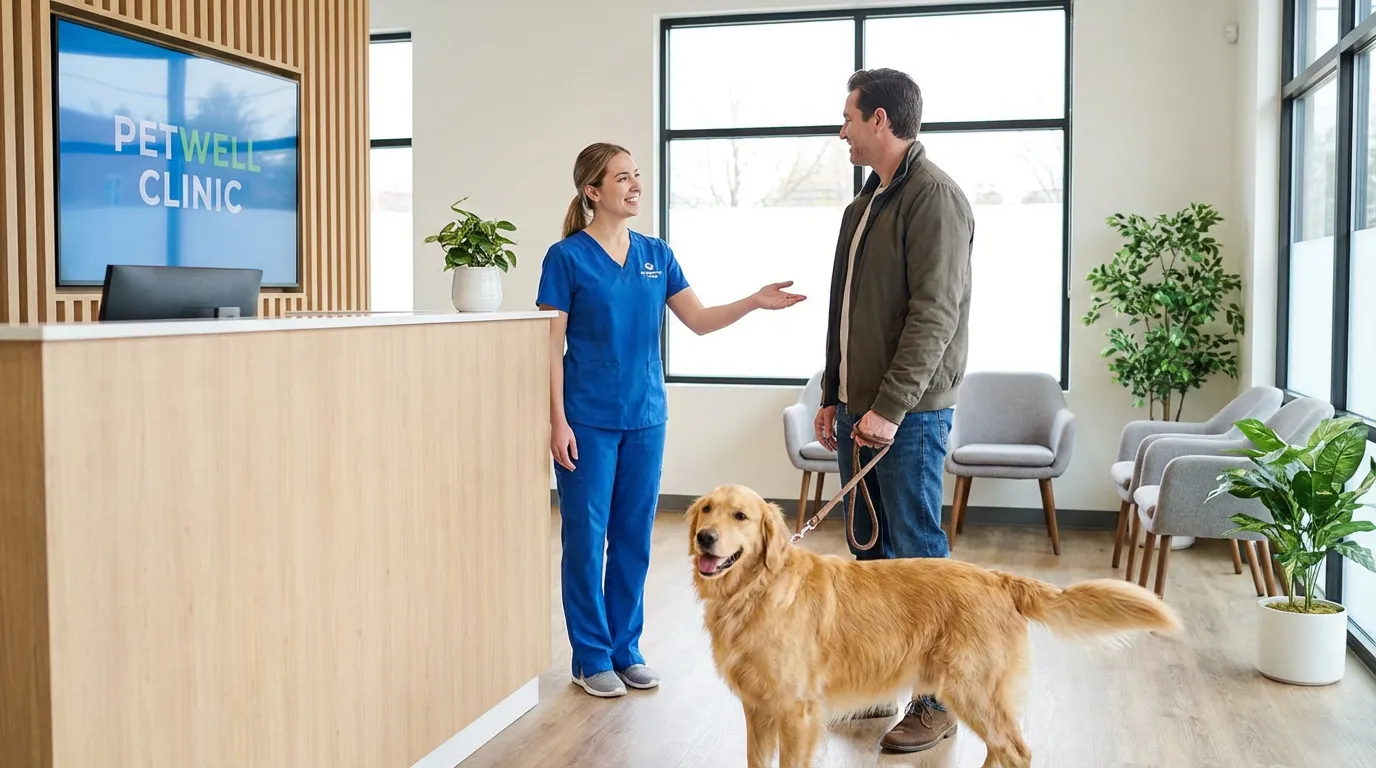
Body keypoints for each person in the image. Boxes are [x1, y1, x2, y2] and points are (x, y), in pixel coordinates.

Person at [537, 142, 805, 699]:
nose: (636, 186)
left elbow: (700, 321)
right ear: (592, 192)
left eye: (637, 176)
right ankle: (590, 656)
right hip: (586, 421)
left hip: (645, 417)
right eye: (622, 179)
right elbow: (548, 348)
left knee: (634, 538)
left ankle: (624, 649)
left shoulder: (656, 253)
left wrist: (753, 301)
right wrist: (557, 422)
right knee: (586, 541)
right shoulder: (565, 259)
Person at [814, 69, 974, 752]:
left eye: (847, 118)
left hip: (907, 415)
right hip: (860, 409)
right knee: (869, 558)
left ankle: (938, 701)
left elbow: (933, 316)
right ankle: (878, 684)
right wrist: (833, 394)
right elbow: (844, 310)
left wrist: (889, 408)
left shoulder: (934, 198)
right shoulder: (864, 205)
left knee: (919, 560)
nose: (841, 130)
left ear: (879, 120)